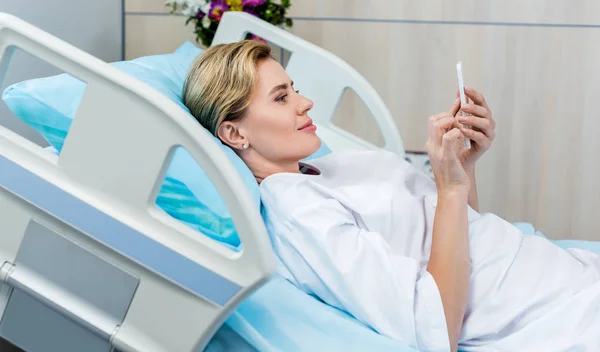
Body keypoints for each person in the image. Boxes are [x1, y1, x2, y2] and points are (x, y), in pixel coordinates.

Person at [183, 40, 600, 352]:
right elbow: (433, 324)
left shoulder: (330, 169)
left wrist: (464, 166)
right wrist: (450, 187)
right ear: (234, 133)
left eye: (294, 89)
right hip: (556, 315)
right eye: (281, 97)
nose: (305, 103)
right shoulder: (300, 215)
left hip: (562, 275)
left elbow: (459, 236)